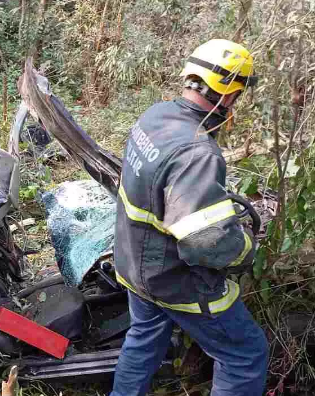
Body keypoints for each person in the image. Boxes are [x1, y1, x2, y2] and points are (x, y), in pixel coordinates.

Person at [110, 39, 269, 396]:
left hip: (132, 263)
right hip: (173, 278)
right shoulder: (198, 152)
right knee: (245, 355)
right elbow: (207, 242)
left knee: (143, 338)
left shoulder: (156, 116)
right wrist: (245, 250)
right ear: (229, 96)